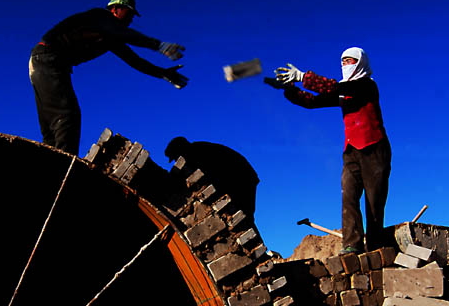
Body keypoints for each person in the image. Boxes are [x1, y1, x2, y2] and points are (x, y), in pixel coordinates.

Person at [29, 0, 188, 155]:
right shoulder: (100, 17)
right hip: (47, 59)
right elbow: (122, 33)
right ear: (117, 9)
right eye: (130, 13)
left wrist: (163, 73)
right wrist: (158, 45)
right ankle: (63, 168)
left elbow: (134, 60)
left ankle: (49, 164)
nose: (131, 19)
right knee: (66, 116)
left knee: (51, 124)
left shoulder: (109, 35)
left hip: (44, 61)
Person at [268, 47, 391, 254]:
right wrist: (289, 88)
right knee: (349, 195)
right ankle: (352, 244)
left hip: (374, 149)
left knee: (374, 202)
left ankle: (376, 248)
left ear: (360, 63)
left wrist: (304, 77)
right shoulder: (343, 93)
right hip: (351, 150)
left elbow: (334, 88)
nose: (345, 65)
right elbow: (311, 102)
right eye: (342, 62)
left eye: (350, 61)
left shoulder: (367, 86)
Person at [164, 136, 259, 221]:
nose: (176, 161)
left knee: (243, 215)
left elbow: (199, 174)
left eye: (175, 158)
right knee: (243, 215)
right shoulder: (199, 148)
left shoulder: (195, 152)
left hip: (241, 177)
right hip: (244, 175)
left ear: (180, 150)